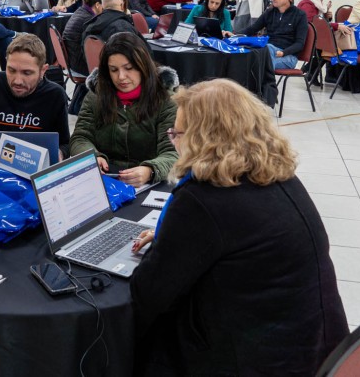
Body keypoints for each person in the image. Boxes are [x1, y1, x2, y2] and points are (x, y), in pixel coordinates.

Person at [130, 79, 348, 376]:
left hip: (258, 362)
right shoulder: (280, 175)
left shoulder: (201, 198)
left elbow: (149, 293)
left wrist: (167, 243)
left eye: (176, 134)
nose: (174, 142)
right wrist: (178, 239)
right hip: (319, 350)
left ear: (202, 139)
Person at [69, 33, 179, 186]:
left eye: (129, 68)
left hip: (149, 182)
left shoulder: (166, 100)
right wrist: (91, 157)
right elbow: (80, 137)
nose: (121, 77)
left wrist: (150, 170)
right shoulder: (96, 94)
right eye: (113, 70)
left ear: (143, 66)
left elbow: (173, 152)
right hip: (105, 178)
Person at [242, 0, 307, 70]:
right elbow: (253, 28)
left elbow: (299, 44)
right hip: (269, 50)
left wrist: (283, 52)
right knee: (255, 53)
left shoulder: (300, 15)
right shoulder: (270, 12)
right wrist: (235, 35)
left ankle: (262, 78)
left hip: (288, 56)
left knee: (263, 58)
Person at [63, 0, 104, 77]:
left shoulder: (81, 11)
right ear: (97, 5)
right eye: (104, 5)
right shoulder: (89, 19)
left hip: (72, 60)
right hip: (81, 65)